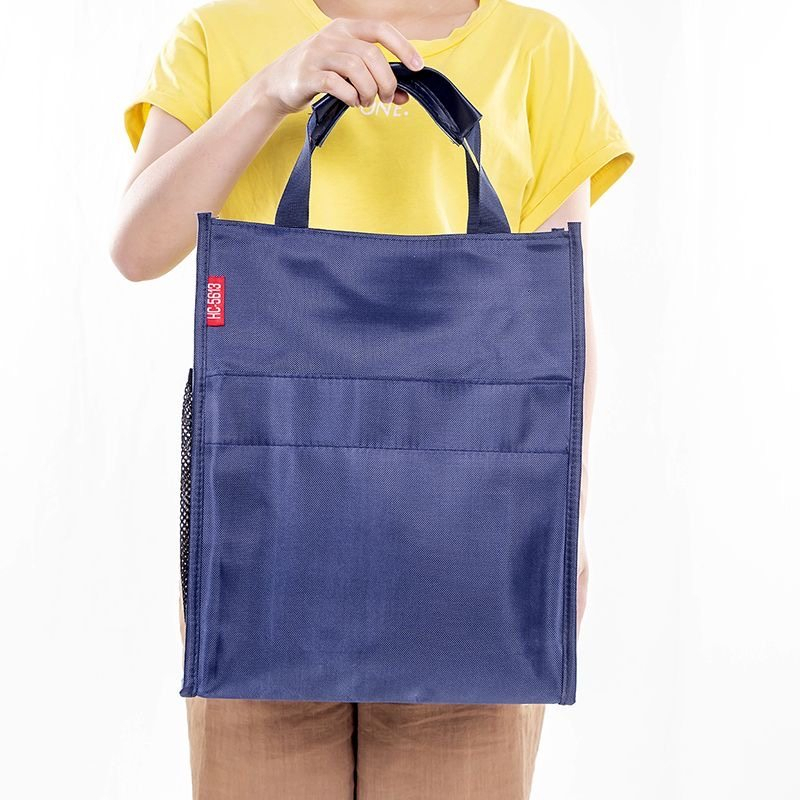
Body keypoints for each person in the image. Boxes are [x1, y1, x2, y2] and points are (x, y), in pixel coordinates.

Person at [112, 1, 634, 797]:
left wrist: (571, 517)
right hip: (267, 539)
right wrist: (270, 91)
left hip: (472, 545)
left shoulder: (538, 51)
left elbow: (557, 314)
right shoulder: (222, 32)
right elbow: (138, 247)